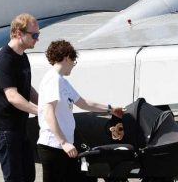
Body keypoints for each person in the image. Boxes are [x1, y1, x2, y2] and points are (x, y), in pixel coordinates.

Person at [37, 40, 124, 182]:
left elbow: (83, 103)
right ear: (67, 58)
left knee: (85, 177)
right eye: (73, 61)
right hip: (53, 146)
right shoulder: (52, 80)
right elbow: (49, 114)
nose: (73, 65)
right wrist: (64, 142)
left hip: (65, 146)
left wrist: (111, 109)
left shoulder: (62, 82)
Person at [0, 13, 40, 182]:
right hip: (5, 130)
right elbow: (12, 96)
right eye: (34, 35)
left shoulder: (22, 56)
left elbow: (26, 87)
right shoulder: (5, 60)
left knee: (28, 177)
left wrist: (45, 104)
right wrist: (41, 111)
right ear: (19, 33)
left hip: (19, 129)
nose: (37, 39)